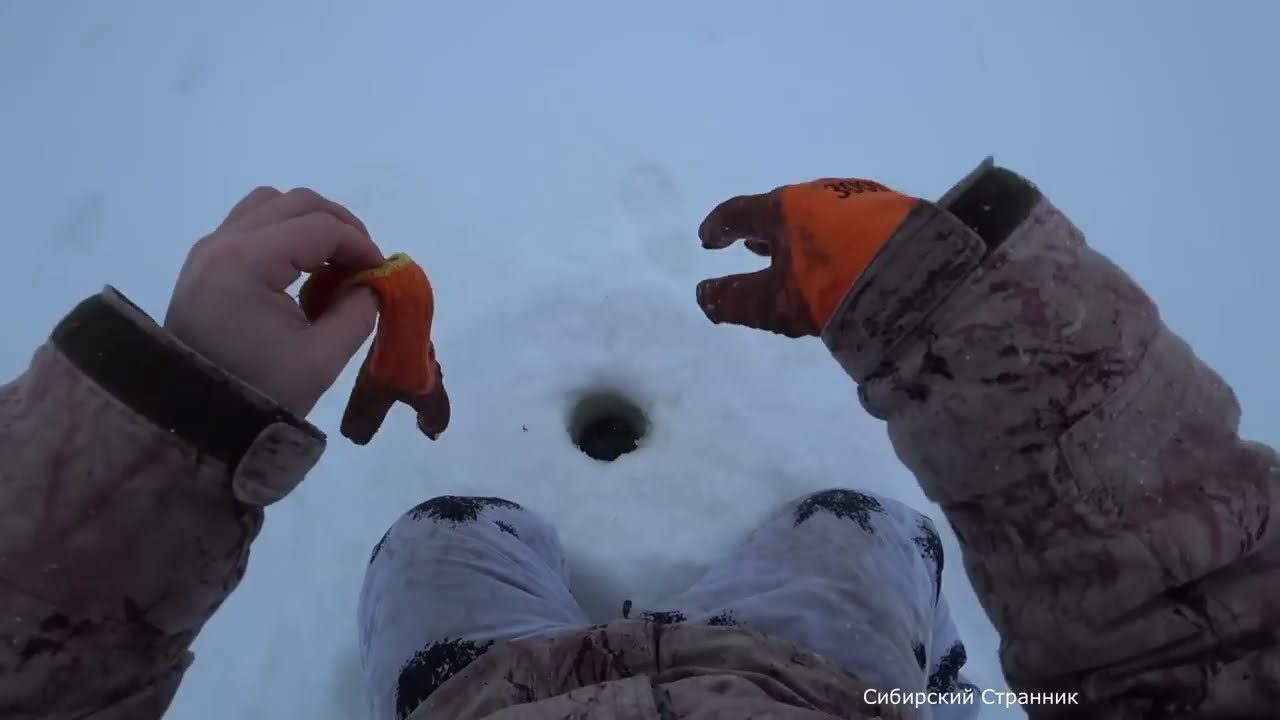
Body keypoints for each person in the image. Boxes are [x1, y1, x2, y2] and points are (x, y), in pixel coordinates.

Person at [0, 159, 1275, 720]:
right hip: (822, 687)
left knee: (440, 535)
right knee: (862, 532)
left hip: (479, 697)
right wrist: (967, 310)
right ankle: (916, 683)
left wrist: (170, 418)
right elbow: (1219, 643)